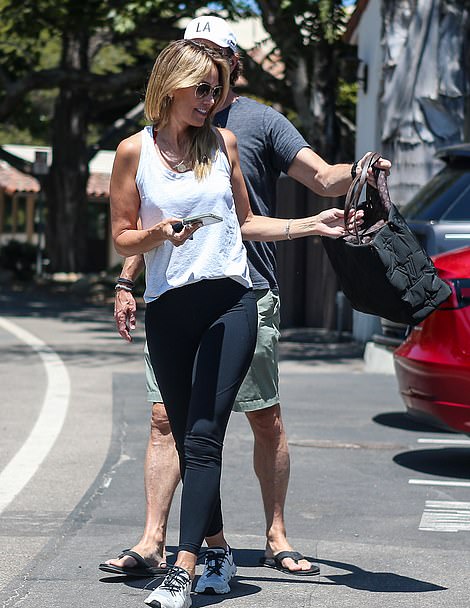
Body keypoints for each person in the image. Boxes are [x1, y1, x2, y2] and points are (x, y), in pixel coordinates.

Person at [102, 15, 391, 589]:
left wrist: (349, 182)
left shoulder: (252, 127)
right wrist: (128, 281)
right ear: (175, 70)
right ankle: (177, 544)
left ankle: (265, 539)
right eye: (198, 62)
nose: (211, 85)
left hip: (244, 293)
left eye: (218, 64)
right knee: (173, 424)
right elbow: (138, 225)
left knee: (253, 420)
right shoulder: (140, 146)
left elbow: (312, 184)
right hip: (171, 298)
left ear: (236, 62)